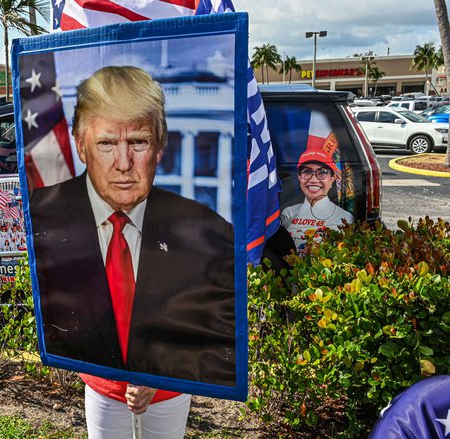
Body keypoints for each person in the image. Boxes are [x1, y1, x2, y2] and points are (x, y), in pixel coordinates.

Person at [29, 66, 235, 437]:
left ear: (158, 147)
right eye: (107, 143)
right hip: (102, 387)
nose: (123, 164)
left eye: (138, 142)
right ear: (81, 145)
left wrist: (159, 371)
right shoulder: (52, 220)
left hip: (170, 389)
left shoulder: (206, 228)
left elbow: (205, 317)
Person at [280, 149, 355, 253]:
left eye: (322, 172)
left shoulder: (345, 218)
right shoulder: (288, 214)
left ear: (332, 178)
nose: (314, 180)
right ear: (299, 177)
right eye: (307, 172)